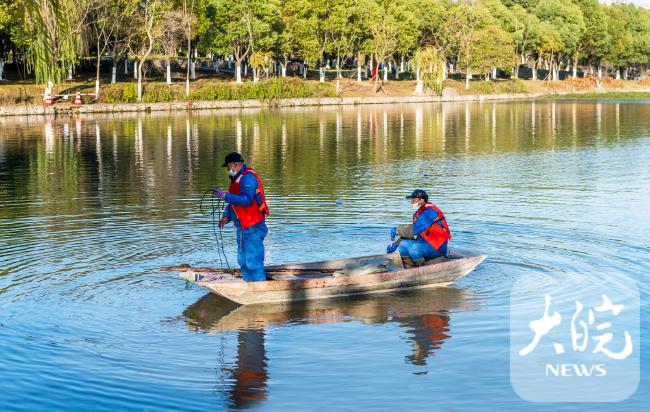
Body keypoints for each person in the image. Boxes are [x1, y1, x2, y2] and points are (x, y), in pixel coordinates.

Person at [212, 152, 270, 282]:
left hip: (253, 226)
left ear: (234, 165)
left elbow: (247, 200)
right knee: (243, 261)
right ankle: (248, 285)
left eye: (228, 167)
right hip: (242, 227)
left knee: (253, 261)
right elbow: (234, 203)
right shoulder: (236, 179)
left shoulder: (248, 178)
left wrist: (224, 196)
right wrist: (226, 216)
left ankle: (260, 287)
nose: (228, 170)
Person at [395, 189, 451, 266]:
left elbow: (415, 229)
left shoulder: (430, 211)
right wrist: (396, 243)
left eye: (414, 200)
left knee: (415, 248)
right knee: (403, 244)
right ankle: (409, 268)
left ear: (421, 200)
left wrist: (397, 230)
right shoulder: (417, 214)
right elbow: (414, 234)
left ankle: (420, 269)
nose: (411, 202)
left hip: (437, 247)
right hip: (424, 243)